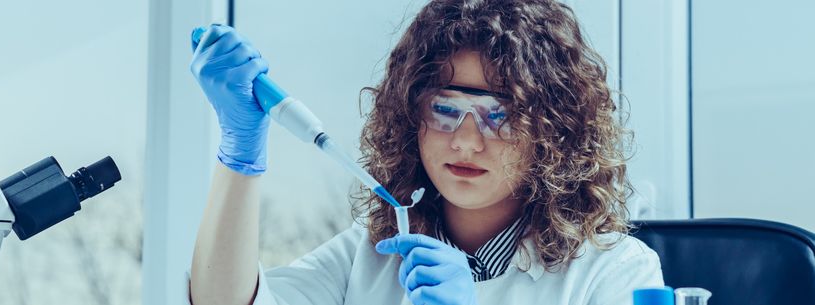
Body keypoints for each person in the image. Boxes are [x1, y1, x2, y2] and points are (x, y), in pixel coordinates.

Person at [187, 0, 663, 304]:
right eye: (443, 109)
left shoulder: (616, 272)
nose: (465, 141)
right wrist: (240, 153)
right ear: (409, 114)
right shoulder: (368, 255)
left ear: (553, 131)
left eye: (500, 115)